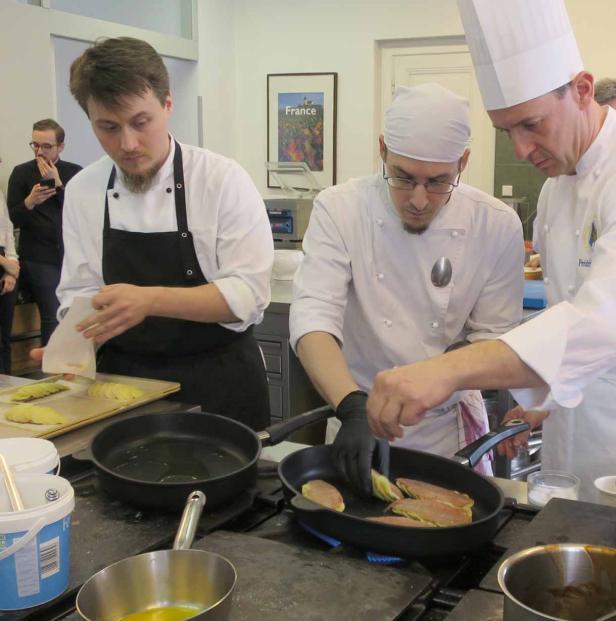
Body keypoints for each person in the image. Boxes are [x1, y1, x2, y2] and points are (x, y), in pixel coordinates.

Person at [367, 0, 616, 500]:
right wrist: (542, 401)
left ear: (583, 91)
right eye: (507, 130)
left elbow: (601, 321)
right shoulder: (555, 190)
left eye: (531, 124)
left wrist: (447, 369)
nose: (521, 150)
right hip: (573, 449)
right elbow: (567, 316)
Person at [290, 83, 524, 494]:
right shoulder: (340, 209)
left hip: (444, 432)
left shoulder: (496, 225)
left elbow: (495, 340)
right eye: (403, 177)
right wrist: (352, 407)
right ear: (382, 150)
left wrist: (442, 373)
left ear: (463, 162)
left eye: (438, 181)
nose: (418, 199)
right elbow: (313, 319)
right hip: (354, 420)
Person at [37, 37, 273, 429]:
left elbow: (248, 296)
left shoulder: (220, 179)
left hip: (220, 382)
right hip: (122, 385)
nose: (127, 144)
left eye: (140, 122)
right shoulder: (84, 190)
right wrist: (75, 342)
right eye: (108, 127)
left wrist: (148, 300)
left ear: (167, 105)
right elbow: (80, 291)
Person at [7, 119, 82, 345]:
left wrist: (58, 185)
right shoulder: (21, 173)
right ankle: (53, 372)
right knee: (53, 315)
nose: (40, 152)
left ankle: (74, 366)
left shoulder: (74, 172)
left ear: (61, 147)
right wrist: (29, 202)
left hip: (71, 255)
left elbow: (81, 214)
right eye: (35, 145)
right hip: (37, 256)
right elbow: (10, 220)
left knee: (76, 314)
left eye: (46, 147)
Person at [0, 157, 20, 374]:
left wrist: (12, 268)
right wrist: (7, 264)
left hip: (6, 268)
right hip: (3, 263)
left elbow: (7, 230)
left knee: (4, 340)